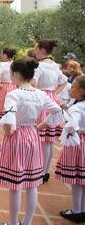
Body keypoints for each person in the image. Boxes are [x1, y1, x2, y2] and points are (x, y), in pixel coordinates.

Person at [0, 57, 64, 225]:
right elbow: (57, 110)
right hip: (32, 136)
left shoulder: (14, 94)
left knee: (15, 184)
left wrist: (9, 132)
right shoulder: (40, 94)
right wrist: (39, 127)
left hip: (17, 136)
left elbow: (9, 119)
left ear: (16, 74)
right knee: (32, 183)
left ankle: (12, 223)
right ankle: (27, 222)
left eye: (11, 73)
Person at [33, 39, 68, 182]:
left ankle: (39, 172)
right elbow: (64, 81)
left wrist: (34, 92)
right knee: (50, 140)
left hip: (42, 100)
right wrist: (54, 92)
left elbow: (33, 82)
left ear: (42, 50)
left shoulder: (40, 66)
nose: (35, 50)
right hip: (52, 99)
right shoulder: (55, 66)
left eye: (36, 48)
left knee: (42, 138)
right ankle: (45, 172)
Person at [54, 76, 85, 223]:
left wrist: (68, 130)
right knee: (83, 178)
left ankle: (76, 210)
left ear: (80, 92)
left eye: (73, 87)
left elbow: (72, 125)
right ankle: (83, 209)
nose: (70, 89)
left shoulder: (77, 108)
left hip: (79, 143)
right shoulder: (78, 105)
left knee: (77, 179)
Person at [0, 47, 17, 122]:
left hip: (4, 87)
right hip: (15, 87)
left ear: (5, 55)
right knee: (13, 107)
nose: (0, 56)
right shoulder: (16, 64)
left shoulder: (1, 64)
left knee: (2, 107)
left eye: (1, 54)